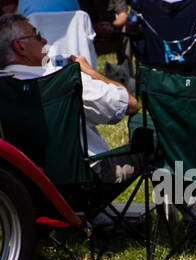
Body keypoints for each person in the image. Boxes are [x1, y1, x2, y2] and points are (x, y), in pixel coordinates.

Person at [0, 13, 143, 181]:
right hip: (84, 182)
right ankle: (171, 195)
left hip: (23, 186)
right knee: (157, 128)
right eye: (37, 35)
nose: (45, 40)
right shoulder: (63, 80)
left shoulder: (5, 88)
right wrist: (91, 73)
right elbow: (131, 104)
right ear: (20, 47)